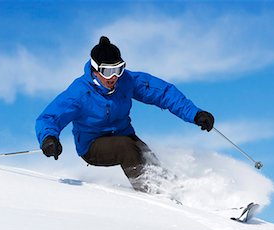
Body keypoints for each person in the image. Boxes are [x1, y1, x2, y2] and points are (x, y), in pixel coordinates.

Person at [35, 36, 214, 193]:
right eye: (107, 71)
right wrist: (49, 138)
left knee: (147, 155)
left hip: (124, 135)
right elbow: (50, 117)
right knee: (126, 147)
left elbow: (163, 93)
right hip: (92, 145)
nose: (114, 77)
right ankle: (153, 194)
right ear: (95, 70)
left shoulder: (126, 81)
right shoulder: (80, 93)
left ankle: (177, 195)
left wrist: (195, 114)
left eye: (118, 69)